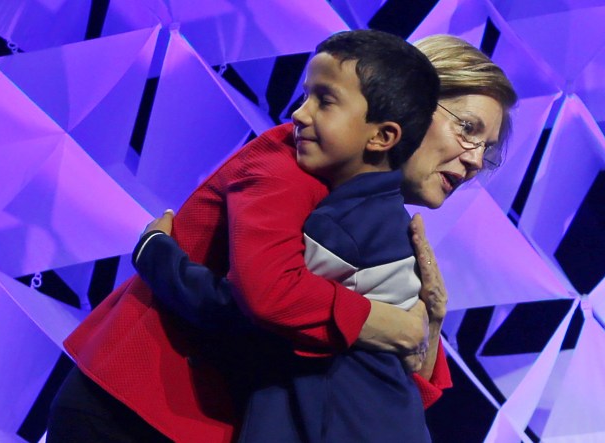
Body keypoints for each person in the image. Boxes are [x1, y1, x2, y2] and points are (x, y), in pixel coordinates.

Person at [48, 33, 517, 443]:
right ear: (408, 100)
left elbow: (387, 384)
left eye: (488, 150)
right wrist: (382, 322)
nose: (475, 159)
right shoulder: (290, 159)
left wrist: (428, 325)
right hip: (134, 410)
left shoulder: (383, 220)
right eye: (468, 129)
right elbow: (264, 301)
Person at [134, 29, 439, 443]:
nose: (299, 113)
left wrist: (157, 256)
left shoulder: (341, 229)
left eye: (324, 101)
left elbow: (253, 305)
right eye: (304, 96)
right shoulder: (385, 219)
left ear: (382, 136)